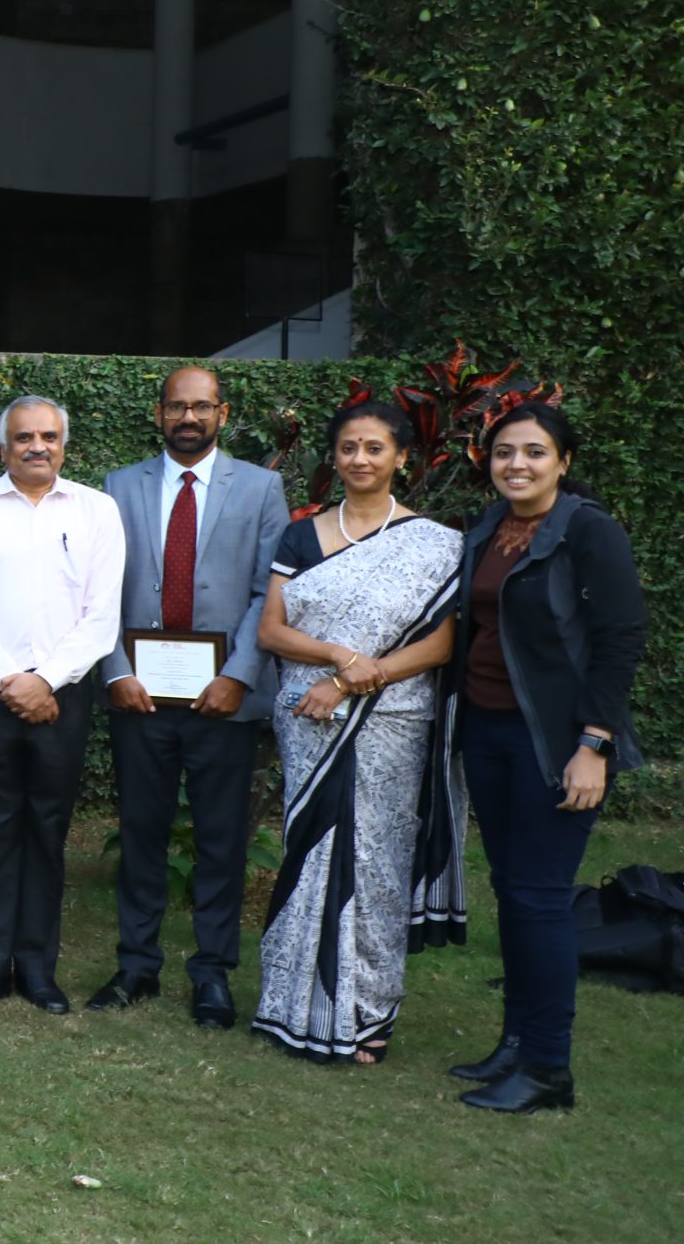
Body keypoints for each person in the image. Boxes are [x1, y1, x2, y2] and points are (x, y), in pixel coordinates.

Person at [446, 404, 647, 1113]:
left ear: (563, 461)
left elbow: (620, 637)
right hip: (490, 731)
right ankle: (515, 1044)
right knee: (515, 892)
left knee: (540, 898)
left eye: (534, 452)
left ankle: (548, 1072)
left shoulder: (589, 531)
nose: (517, 465)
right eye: (504, 453)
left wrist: (594, 745)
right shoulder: (490, 529)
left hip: (555, 743)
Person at [251, 399, 463, 1065]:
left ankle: (365, 1011)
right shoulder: (301, 535)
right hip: (308, 719)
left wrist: (348, 681)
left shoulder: (435, 544)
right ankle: (291, 1004)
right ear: (334, 457)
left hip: (391, 723)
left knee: (376, 860)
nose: (361, 459)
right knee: (310, 851)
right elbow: (272, 631)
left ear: (402, 457)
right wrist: (342, 659)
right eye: (349, 448)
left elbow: (438, 645)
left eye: (375, 448)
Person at [86, 367, 289, 1026]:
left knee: (222, 840)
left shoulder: (261, 489)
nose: (189, 417)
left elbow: (271, 592)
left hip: (223, 700)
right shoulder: (119, 486)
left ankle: (212, 973)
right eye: (178, 406)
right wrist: (115, 672)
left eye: (202, 406)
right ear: (159, 413)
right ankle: (137, 965)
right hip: (139, 697)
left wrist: (238, 675)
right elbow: (98, 590)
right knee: (141, 833)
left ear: (223, 414)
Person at [0, 395, 124, 1013]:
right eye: (23, 438)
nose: (36, 446)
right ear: (4, 447)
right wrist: (14, 681)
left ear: (64, 445)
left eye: (48, 436)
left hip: (64, 698)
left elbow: (102, 618)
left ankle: (38, 970)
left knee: (47, 830)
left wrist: (47, 681)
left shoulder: (97, 510)